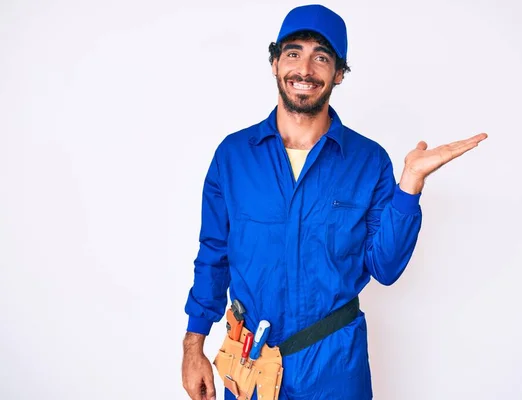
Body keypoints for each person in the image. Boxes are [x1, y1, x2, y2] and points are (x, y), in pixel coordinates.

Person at [181, 4, 487, 400]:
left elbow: (386, 268)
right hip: (250, 366)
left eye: (321, 57)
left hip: (335, 370)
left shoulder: (368, 161)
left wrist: (409, 185)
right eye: (293, 53)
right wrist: (193, 346)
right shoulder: (234, 157)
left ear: (339, 73)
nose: (304, 69)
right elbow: (213, 255)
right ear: (275, 63)